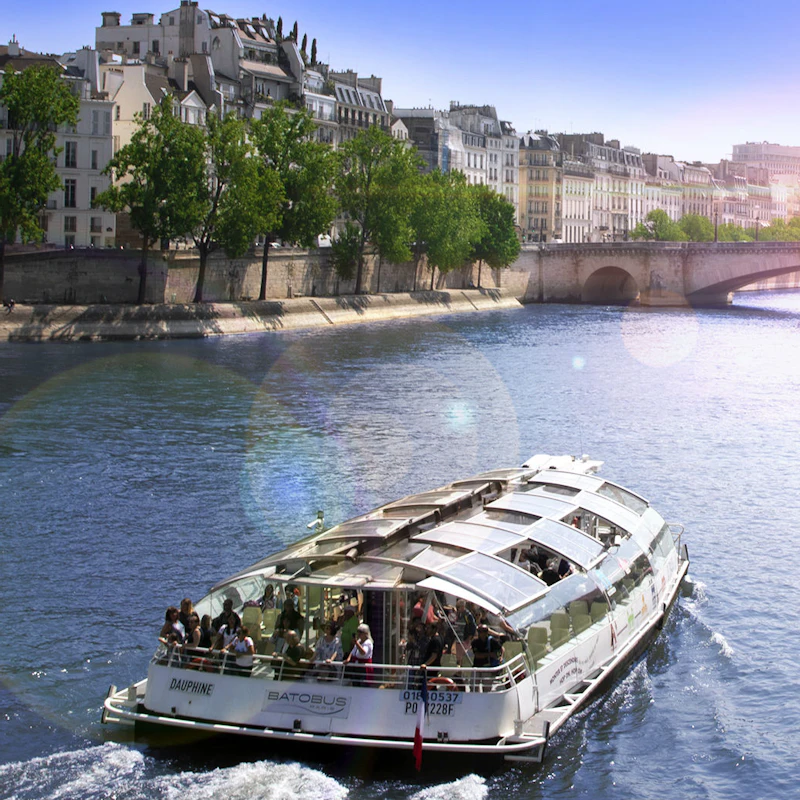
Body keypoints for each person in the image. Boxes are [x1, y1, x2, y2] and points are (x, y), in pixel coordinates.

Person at [471, 624, 503, 691]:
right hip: (476, 667)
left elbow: (501, 648)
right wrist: (490, 654)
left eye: (483, 631)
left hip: (487, 667)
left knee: (487, 688)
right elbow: (477, 655)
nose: (481, 633)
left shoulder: (492, 641)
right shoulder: (475, 642)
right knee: (474, 687)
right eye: (479, 631)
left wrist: (500, 657)